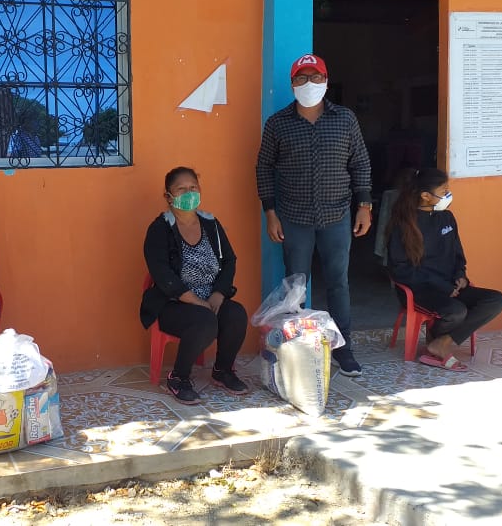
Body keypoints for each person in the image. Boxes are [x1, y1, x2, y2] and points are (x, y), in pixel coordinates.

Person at [256, 53, 373, 377]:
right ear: (292, 83)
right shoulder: (278, 123)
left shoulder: (345, 119)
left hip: (337, 216)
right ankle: (298, 350)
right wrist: (270, 212)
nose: (309, 83)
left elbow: (360, 163)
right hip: (293, 217)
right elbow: (264, 167)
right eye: (302, 78)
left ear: (326, 81)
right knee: (295, 287)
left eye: (315, 77)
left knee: (338, 283)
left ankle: (343, 350)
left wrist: (364, 205)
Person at [141, 167, 249, 405]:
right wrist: (196, 301)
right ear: (168, 196)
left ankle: (222, 370)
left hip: (210, 297)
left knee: (237, 314)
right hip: (173, 304)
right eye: (181, 189)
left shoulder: (211, 224)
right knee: (205, 321)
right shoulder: (160, 229)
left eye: (193, 187)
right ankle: (178, 378)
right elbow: (162, 274)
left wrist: (219, 294)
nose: (188, 193)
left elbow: (229, 260)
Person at [387, 168, 502, 371]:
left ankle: (442, 342)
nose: (447, 195)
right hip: (421, 290)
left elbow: (458, 254)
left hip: (452, 287)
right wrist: (442, 286)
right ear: (425, 196)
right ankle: (438, 344)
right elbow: (400, 270)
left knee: (496, 300)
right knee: (456, 310)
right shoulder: (404, 224)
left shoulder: (447, 218)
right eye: (443, 191)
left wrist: (461, 275)